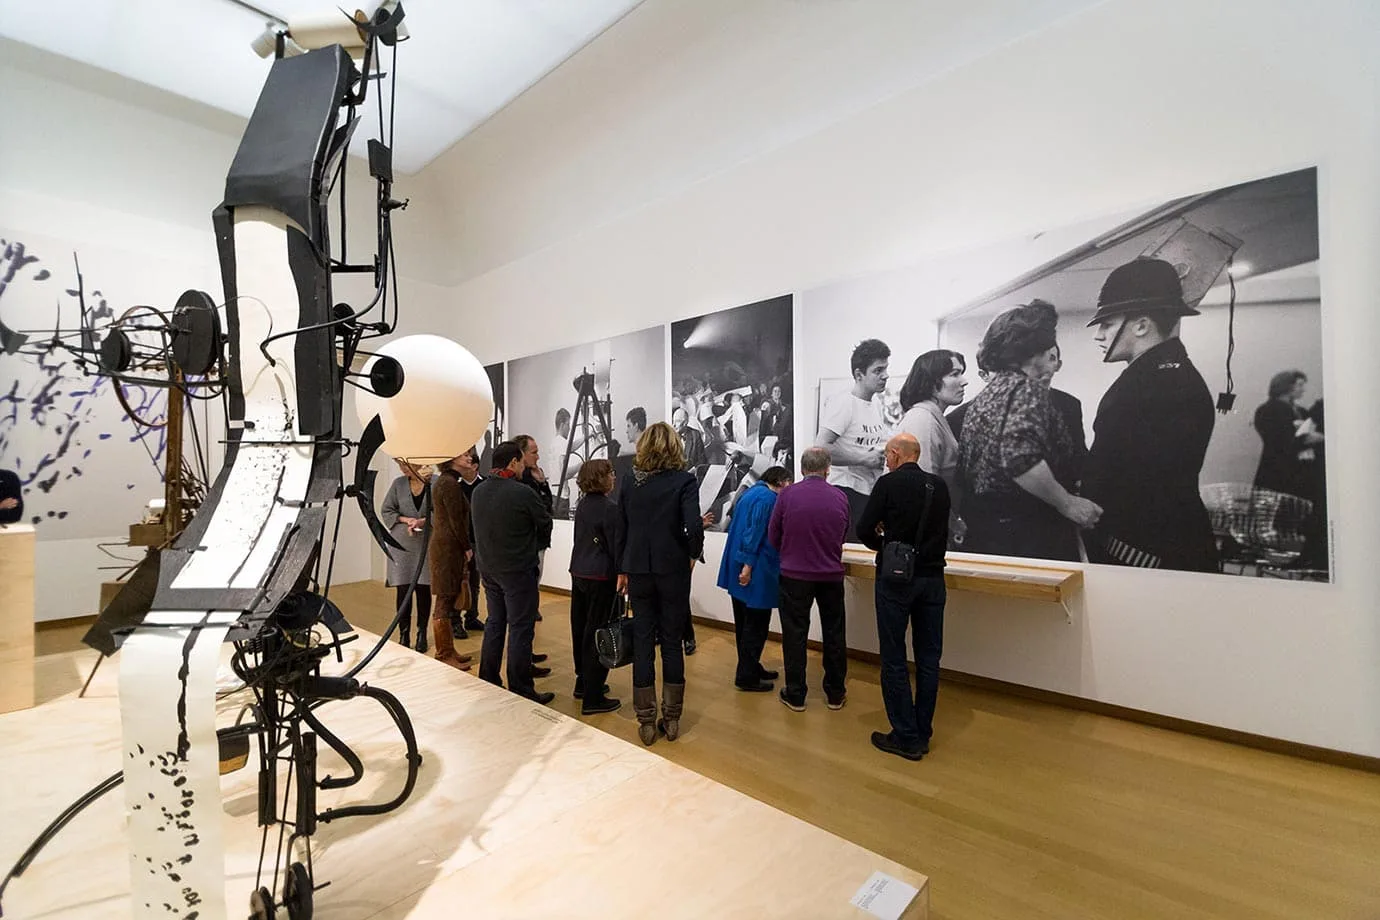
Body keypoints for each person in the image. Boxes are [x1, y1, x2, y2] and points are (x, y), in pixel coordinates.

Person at [1082, 258, 1218, 572]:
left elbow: (1127, 480)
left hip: (1145, 551)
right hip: (1165, 545)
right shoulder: (1170, 375)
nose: (1099, 335)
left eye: (1107, 323)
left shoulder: (1151, 386)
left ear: (1142, 325)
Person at [956, 301, 1096, 561]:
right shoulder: (1027, 389)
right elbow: (1021, 460)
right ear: (1037, 349)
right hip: (1030, 534)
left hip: (990, 532)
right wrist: (1069, 504)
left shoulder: (992, 392)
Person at [857, 433, 951, 761]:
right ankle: (922, 730)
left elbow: (864, 528)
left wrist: (884, 544)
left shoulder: (887, 484)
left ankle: (905, 735)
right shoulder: (938, 486)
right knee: (928, 658)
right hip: (933, 578)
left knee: (894, 657)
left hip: (896, 580)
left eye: (886, 454)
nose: (885, 460)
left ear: (896, 454)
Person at [615, 422, 704, 746]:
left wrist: (622, 568)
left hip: (638, 569)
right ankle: (673, 716)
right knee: (671, 642)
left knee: (642, 641)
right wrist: (692, 553)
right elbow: (693, 526)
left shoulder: (629, 481)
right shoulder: (684, 480)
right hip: (673, 571)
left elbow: (620, 528)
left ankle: (646, 719)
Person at [470, 441, 555, 704]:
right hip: (517, 569)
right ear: (513, 463)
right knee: (520, 627)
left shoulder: (479, 491)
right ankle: (520, 687)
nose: (522, 466)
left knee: (495, 622)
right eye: (520, 461)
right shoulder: (521, 493)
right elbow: (545, 522)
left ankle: (489, 678)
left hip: (489, 568)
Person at [768, 447, 852, 711]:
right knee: (834, 633)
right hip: (830, 575)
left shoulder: (788, 495)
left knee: (795, 634)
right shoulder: (840, 496)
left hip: (794, 575)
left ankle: (796, 694)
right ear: (828, 469)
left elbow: (774, 534)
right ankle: (835, 693)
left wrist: (790, 553)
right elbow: (843, 533)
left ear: (802, 469)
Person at [716, 465, 792, 692]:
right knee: (756, 624)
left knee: (744, 622)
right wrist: (748, 567)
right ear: (780, 481)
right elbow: (755, 533)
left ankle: (750, 666)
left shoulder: (750, 493)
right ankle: (746, 676)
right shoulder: (768, 499)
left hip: (739, 566)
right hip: (754, 570)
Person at [567, 458, 622, 715]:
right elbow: (615, 547)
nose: (614, 477)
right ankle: (593, 696)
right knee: (598, 633)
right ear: (601, 477)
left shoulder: (584, 505)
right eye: (610, 473)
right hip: (600, 576)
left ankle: (583, 682)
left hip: (579, 572)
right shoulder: (609, 509)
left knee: (581, 628)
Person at [817, 339, 891, 529]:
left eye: (886, 369)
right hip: (845, 491)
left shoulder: (875, 404)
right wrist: (864, 459)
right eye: (878, 370)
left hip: (867, 491)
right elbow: (820, 449)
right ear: (859, 374)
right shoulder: (843, 403)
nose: (885, 375)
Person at [897, 349, 968, 527]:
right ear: (931, 382)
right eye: (955, 374)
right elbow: (921, 490)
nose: (964, 382)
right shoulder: (923, 420)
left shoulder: (933, 417)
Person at [380, 459, 436, 651]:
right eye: (400, 466)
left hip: (426, 543)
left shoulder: (434, 483)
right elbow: (386, 509)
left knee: (423, 589)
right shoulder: (398, 484)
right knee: (403, 590)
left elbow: (442, 513)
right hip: (401, 544)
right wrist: (406, 519)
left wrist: (422, 521)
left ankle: (421, 633)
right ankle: (403, 634)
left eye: (405, 465)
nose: (402, 469)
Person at [427, 456, 476, 670]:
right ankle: (443, 653)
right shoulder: (448, 483)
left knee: (446, 598)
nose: (469, 457)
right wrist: (466, 547)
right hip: (448, 549)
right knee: (444, 600)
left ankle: (448, 650)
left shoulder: (447, 482)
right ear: (451, 459)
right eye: (464, 454)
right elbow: (456, 520)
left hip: (448, 547)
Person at [1252, 370, 1323, 499]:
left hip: (1302, 472)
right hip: (1278, 471)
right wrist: (1306, 439)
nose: (1303, 389)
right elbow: (1278, 441)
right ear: (1286, 386)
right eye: (1299, 385)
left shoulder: (1301, 411)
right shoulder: (1267, 410)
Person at [514, 434, 552, 623]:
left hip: (539, 539)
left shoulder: (537, 475)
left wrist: (543, 482)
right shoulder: (519, 480)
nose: (537, 456)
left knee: (535, 577)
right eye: (534, 452)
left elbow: (548, 506)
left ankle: (531, 608)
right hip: (526, 540)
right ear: (521, 454)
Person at [454, 448, 486, 633]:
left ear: (474, 466)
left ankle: (472, 617)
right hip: (460, 541)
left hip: (479, 541)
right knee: (459, 581)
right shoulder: (455, 486)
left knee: (475, 581)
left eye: (467, 459)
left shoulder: (484, 486)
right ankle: (455, 620)